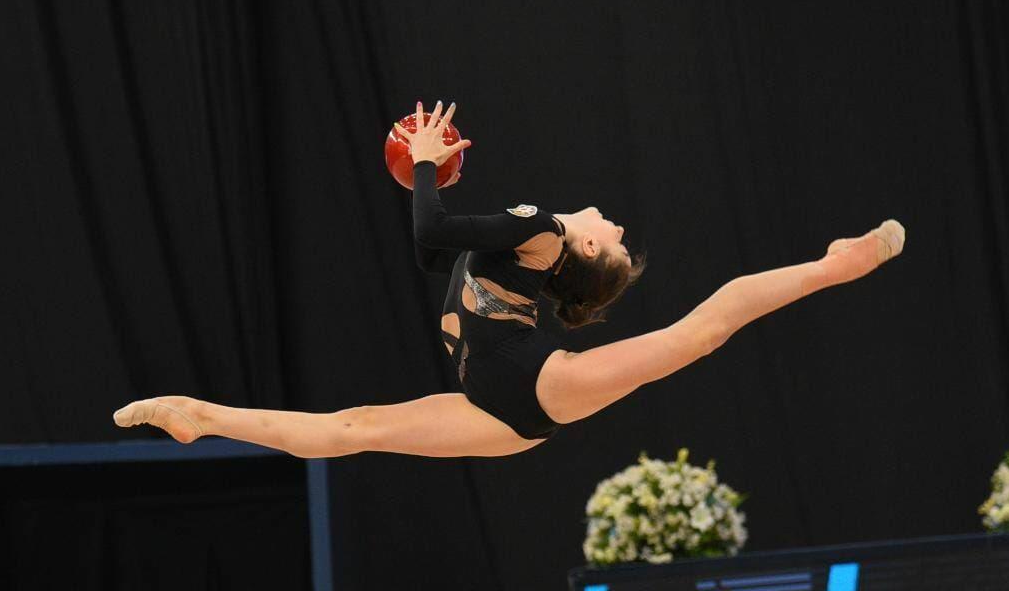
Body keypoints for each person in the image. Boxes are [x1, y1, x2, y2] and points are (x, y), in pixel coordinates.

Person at [113, 101, 905, 458]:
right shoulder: (525, 249)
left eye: (615, 240)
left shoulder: (544, 230)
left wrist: (427, 164)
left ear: (584, 249)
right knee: (351, 430)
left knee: (696, 336)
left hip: (531, 387)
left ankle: (836, 265)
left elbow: (429, 234)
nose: (615, 225)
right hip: (497, 415)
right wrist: (428, 179)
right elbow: (437, 249)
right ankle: (200, 417)